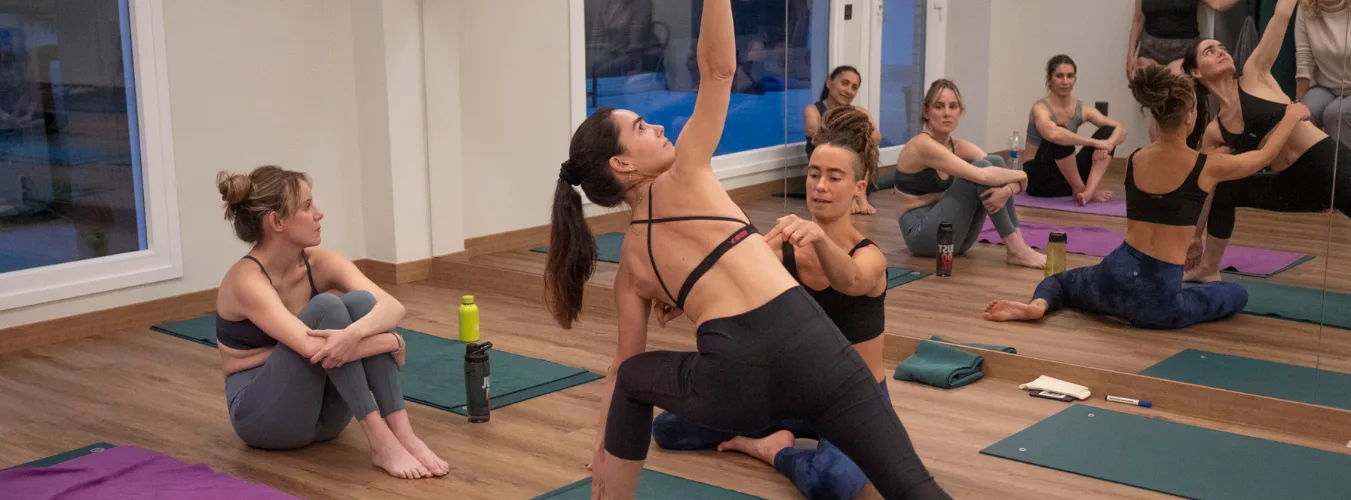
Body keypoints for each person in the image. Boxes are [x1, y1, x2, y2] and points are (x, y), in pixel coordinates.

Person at [544, 2, 949, 498]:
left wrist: (603, 447)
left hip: (735, 385)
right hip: (815, 352)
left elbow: (623, 365)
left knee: (633, 378)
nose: (658, 128)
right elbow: (718, 69)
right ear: (622, 165)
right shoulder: (687, 170)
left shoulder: (630, 265)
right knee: (914, 487)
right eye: (642, 128)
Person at [649, 106, 889, 500]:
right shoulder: (784, 243)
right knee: (669, 430)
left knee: (834, 485)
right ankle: (783, 428)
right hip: (789, 394)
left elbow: (851, 280)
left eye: (834, 177)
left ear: (858, 188)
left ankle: (775, 450)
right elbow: (723, 271)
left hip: (853, 400)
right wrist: (680, 299)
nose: (820, 186)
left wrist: (818, 238)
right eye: (814, 175)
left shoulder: (870, 258)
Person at [985, 66, 1309, 329]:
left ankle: (1037, 307)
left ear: (1155, 117)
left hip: (1112, 275)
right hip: (1158, 301)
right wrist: (1293, 115)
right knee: (1234, 293)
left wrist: (1191, 240)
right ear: (1189, 117)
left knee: (1061, 283)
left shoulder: (1136, 158)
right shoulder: (1207, 165)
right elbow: (1265, 154)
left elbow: (1165, 210)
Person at [213, 166, 449, 480]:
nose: (319, 214)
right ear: (276, 221)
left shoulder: (320, 262)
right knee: (327, 307)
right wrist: (392, 341)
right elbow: (316, 349)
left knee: (361, 305)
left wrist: (358, 331)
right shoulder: (246, 281)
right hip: (263, 419)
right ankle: (380, 440)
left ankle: (403, 435)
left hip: (325, 420)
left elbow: (392, 306)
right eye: (307, 206)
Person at [1184, 0, 1351, 282]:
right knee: (1224, 189)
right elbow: (1207, 187)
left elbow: (1282, 14)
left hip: (1327, 165)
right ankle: (1209, 268)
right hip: (1292, 185)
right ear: (1196, 72)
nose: (1221, 52)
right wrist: (1194, 236)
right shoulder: (1215, 132)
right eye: (1210, 51)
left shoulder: (1255, 74)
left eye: (1222, 48)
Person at [893, 79, 1045, 269]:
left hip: (956, 240)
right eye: (939, 107)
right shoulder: (922, 145)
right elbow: (983, 176)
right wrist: (1021, 177)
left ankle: (1018, 246)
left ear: (960, 111)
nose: (947, 113)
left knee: (994, 161)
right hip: (922, 237)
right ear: (926, 112)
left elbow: (1000, 170)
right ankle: (1016, 249)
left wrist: (1007, 190)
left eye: (953, 106)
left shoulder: (958, 146)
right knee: (982, 169)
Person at [1127, 0, 1238, 144]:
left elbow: (1220, 4)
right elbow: (1138, 18)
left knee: (1178, 108)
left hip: (1183, 50)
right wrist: (1130, 55)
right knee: (1157, 112)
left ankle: (1181, 155)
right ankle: (1158, 158)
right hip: (1149, 49)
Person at [1024, 55, 1128, 204]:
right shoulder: (1040, 108)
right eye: (1059, 76)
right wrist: (1094, 143)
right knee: (1060, 134)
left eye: (1070, 76)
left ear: (1075, 79)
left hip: (1066, 180)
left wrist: (1108, 143)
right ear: (1049, 79)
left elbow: (1121, 129)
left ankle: (1088, 191)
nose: (1065, 81)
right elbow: (1052, 134)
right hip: (1039, 182)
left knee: (1108, 131)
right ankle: (1080, 188)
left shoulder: (1081, 108)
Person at [804, 65, 883, 215]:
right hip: (827, 172)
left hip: (857, 173)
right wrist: (855, 133)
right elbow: (817, 135)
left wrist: (857, 137)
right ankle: (851, 197)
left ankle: (860, 196)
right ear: (829, 83)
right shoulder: (813, 110)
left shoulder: (859, 111)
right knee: (851, 145)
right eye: (844, 83)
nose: (848, 91)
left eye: (854, 87)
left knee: (865, 145)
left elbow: (877, 137)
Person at [1295, 0, 1351, 145]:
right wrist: (1298, 102)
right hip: (1326, 85)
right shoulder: (1305, 8)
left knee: (1336, 113)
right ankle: (1313, 167)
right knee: (1304, 112)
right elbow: (1304, 57)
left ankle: (1341, 167)